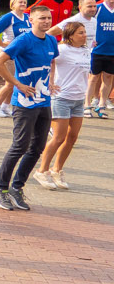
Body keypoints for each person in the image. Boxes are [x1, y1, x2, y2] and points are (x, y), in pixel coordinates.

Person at [0, 4, 57, 211]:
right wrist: (17, 84)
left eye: (48, 18)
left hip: (43, 100)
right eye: (42, 18)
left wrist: (51, 82)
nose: (46, 21)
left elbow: (52, 62)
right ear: (31, 21)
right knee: (20, 145)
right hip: (24, 102)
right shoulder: (24, 40)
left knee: (37, 147)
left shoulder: (52, 40)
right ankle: (0, 188)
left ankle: (17, 188)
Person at [33, 20, 89, 190]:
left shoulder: (86, 51)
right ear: (70, 36)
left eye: (84, 32)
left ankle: (56, 169)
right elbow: (45, 62)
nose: (84, 35)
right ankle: (41, 171)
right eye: (80, 33)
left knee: (72, 138)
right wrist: (48, 82)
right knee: (59, 137)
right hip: (61, 98)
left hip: (78, 99)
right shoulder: (61, 49)